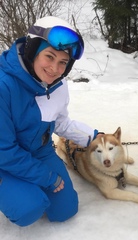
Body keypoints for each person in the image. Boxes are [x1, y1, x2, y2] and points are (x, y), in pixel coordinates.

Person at [0, 16, 100, 226]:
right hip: (4, 158)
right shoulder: (4, 86)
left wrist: (93, 138)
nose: (55, 68)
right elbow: (5, 151)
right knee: (30, 208)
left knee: (65, 210)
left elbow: (61, 123)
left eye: (63, 62)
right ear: (32, 50)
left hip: (39, 151)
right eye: (49, 56)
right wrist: (46, 177)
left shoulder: (56, 85)